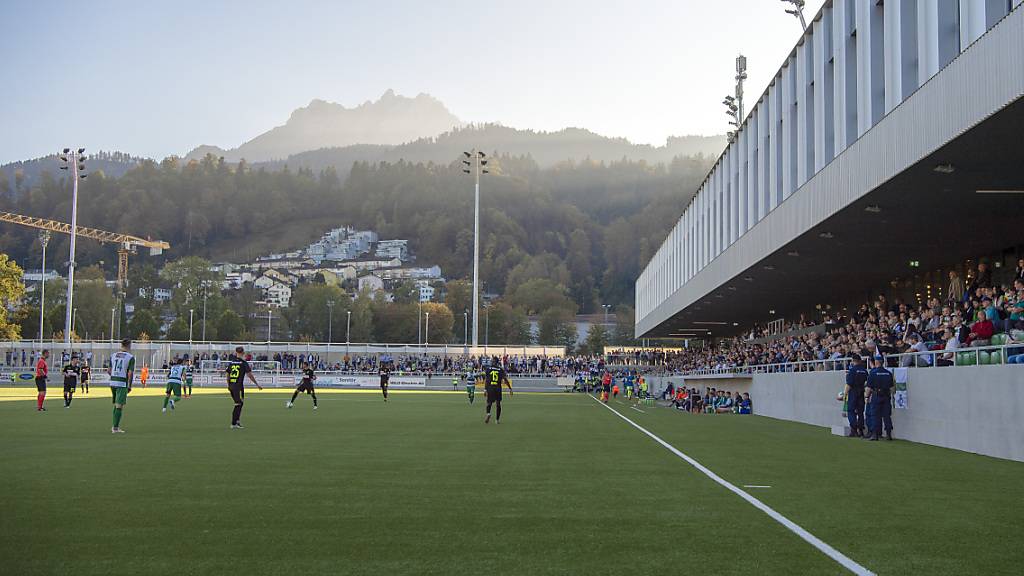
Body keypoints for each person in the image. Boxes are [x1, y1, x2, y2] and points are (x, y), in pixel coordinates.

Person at [226, 346, 262, 429]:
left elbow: (227, 374)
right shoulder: (244, 363)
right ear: (243, 353)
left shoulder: (231, 363)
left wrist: (228, 385)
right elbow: (249, 375)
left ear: (236, 352)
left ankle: (237, 421)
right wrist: (257, 384)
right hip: (237, 386)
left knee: (240, 403)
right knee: (238, 404)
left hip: (233, 386)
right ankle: (233, 423)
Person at [108, 340, 135, 434]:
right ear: (129, 345)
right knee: (119, 406)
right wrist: (130, 386)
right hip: (122, 382)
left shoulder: (113, 355)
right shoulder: (130, 357)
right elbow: (130, 373)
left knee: (116, 404)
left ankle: (115, 426)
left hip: (112, 382)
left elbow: (109, 370)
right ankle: (115, 428)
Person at [865, 356, 894, 441]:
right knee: (887, 416)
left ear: (876, 362)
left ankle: (875, 434)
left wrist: (866, 397)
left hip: (876, 395)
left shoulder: (873, 373)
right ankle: (888, 434)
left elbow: (869, 388)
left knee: (875, 415)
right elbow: (892, 388)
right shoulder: (888, 373)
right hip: (886, 396)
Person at [843, 354, 868, 437]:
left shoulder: (852, 371)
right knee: (860, 412)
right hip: (861, 392)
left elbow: (849, 384)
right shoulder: (864, 371)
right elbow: (866, 383)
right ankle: (861, 429)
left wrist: (845, 394)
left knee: (851, 411)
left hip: (853, 392)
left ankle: (854, 429)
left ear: (853, 361)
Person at [483, 357, 512, 424]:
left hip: (490, 387)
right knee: (498, 404)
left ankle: (488, 413)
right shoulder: (500, 369)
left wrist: (485, 389)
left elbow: (487, 380)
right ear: (497, 362)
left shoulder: (489, 369)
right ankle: (497, 420)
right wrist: (510, 388)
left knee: (489, 402)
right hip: (498, 388)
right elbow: (505, 379)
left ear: (493, 361)